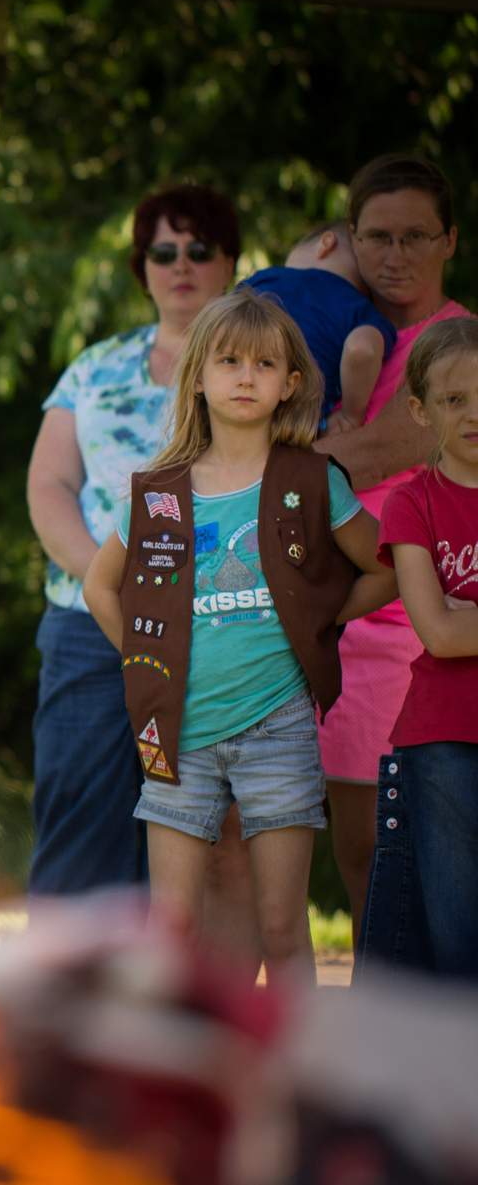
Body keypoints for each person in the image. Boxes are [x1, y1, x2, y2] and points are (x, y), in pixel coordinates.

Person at [83, 290, 395, 982]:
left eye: (263, 364)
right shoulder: (157, 492)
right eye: (228, 361)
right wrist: (143, 658)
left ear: (290, 383)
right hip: (177, 728)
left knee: (283, 925)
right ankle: (180, 1075)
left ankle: (297, 1075)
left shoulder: (311, 481)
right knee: (172, 928)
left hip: (278, 728)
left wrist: (322, 615)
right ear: (198, 376)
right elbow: (99, 586)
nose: (245, 376)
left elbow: (388, 566)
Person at [24, 185, 242, 898]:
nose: (182, 265)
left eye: (200, 249)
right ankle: (59, 1003)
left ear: (230, 261)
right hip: (87, 622)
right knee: (77, 814)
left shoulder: (257, 365)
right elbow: (50, 483)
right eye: (163, 251)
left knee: (202, 833)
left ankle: (185, 1005)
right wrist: (103, 579)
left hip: (217, 623)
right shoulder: (95, 366)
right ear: (142, 266)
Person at [314, 154, 470, 946]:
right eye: (376, 236)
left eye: (416, 235)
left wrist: (297, 462)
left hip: (422, 617)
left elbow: (380, 453)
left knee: (425, 852)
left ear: (449, 240)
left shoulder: (461, 346)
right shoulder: (331, 327)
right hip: (331, 617)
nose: (395, 254)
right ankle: (385, 1029)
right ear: (350, 238)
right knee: (360, 854)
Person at [365, 316, 478, 980]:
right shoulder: (414, 503)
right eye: (454, 399)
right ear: (420, 409)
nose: (473, 415)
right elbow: (436, 630)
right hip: (444, 739)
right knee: (458, 940)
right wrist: (453, 623)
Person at [240, 221, 395, 434]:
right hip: (295, 423)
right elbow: (361, 349)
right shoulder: (363, 312)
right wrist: (350, 416)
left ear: (326, 243)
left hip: (234, 396)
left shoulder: (265, 278)